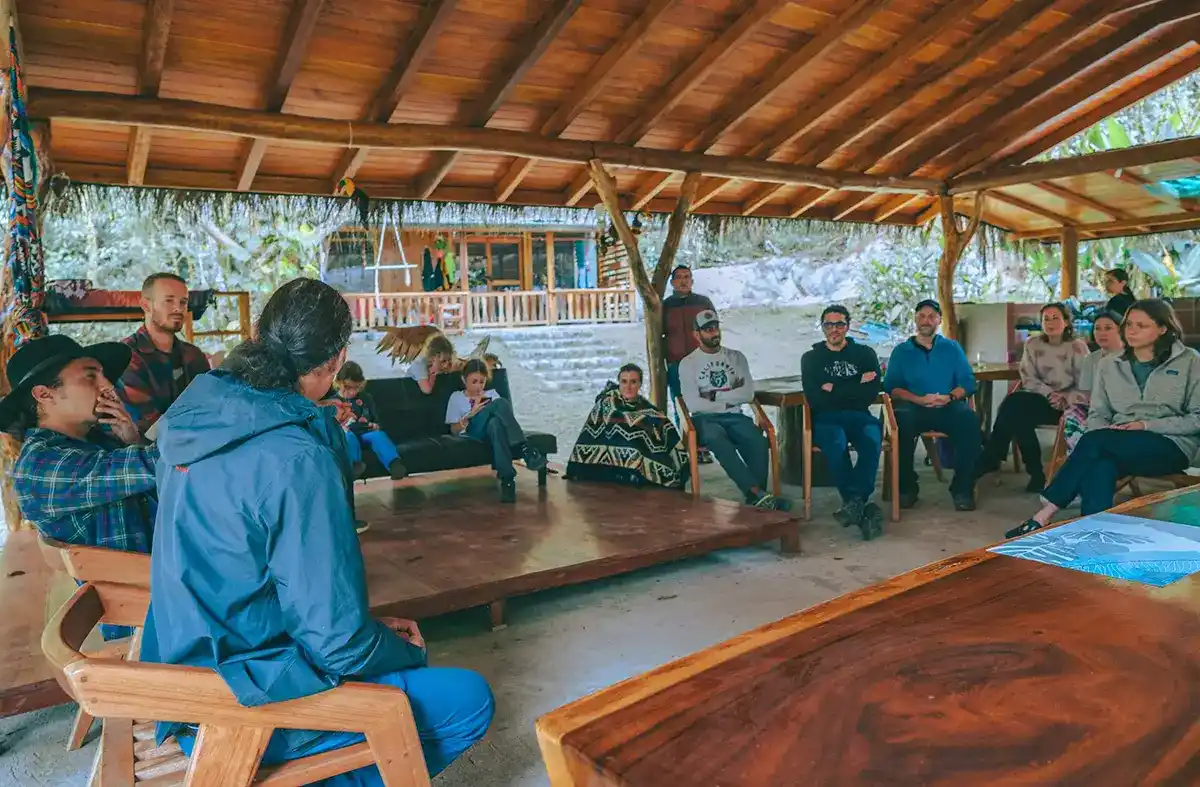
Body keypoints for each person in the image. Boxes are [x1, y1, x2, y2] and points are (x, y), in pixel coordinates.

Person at [141, 278, 493, 782]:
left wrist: (365, 631)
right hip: (243, 692)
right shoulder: (294, 457)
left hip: (183, 670)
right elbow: (338, 646)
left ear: (260, 333)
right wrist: (400, 650)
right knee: (466, 699)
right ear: (338, 359)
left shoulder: (190, 417)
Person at [2, 334, 156, 642]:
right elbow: (159, 466)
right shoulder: (41, 466)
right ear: (45, 394)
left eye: (104, 375)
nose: (108, 386)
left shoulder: (98, 442)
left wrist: (133, 441)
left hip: (170, 589)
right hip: (153, 618)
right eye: (90, 376)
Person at [1008, 300, 1200, 538]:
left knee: (1097, 444)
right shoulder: (1109, 364)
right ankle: (1094, 534)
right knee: (1100, 463)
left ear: (1163, 328)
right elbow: (1098, 413)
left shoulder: (1190, 361)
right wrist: (1106, 432)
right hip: (1116, 440)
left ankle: (1046, 511)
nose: (1131, 330)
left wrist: (1145, 425)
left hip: (1170, 444)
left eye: (1141, 325)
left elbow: (1196, 419)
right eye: (1129, 324)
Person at [679, 309, 790, 510]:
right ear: (697, 334)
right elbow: (693, 404)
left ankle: (758, 499)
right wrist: (729, 397)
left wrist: (712, 396)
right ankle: (755, 492)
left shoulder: (736, 358)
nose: (714, 333)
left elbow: (747, 394)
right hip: (705, 419)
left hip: (735, 416)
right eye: (707, 330)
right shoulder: (688, 364)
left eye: (715, 327)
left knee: (757, 440)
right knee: (716, 438)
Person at [975, 303, 1090, 492]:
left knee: (1016, 410)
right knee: (1016, 406)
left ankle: (997, 457)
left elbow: (1085, 383)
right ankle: (1034, 472)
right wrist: (1049, 394)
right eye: (1046, 319)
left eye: (1056, 318)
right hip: (1043, 399)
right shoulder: (1033, 344)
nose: (1050, 323)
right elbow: (1028, 378)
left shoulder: (1077, 347)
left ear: (1066, 322)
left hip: (1070, 404)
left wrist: (1065, 396)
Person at [883, 299, 981, 511]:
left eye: (931, 316)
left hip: (947, 404)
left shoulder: (952, 348)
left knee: (969, 422)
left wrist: (950, 397)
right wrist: (918, 399)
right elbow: (892, 387)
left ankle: (962, 489)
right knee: (900, 425)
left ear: (939, 320)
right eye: (922, 316)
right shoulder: (901, 351)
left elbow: (968, 381)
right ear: (915, 320)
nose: (926, 321)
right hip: (913, 407)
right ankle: (907, 489)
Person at [801, 305, 884, 540]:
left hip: (859, 414)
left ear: (848, 326)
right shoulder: (811, 359)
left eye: (839, 324)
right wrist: (857, 381)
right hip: (826, 417)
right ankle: (857, 503)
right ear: (823, 327)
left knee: (872, 439)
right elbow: (815, 397)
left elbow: (869, 394)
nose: (834, 329)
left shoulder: (865, 354)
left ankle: (853, 503)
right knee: (835, 443)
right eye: (829, 324)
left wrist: (833, 387)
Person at [564, 363, 688, 489]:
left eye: (633, 382)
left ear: (640, 384)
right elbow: (615, 421)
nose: (628, 387)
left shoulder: (645, 406)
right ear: (619, 383)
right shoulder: (607, 402)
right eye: (624, 382)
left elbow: (658, 422)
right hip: (607, 467)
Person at [117, 272, 211, 436]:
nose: (178, 308)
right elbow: (149, 429)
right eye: (169, 300)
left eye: (183, 302)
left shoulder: (194, 355)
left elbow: (211, 407)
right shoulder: (126, 357)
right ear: (146, 305)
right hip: (147, 455)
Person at [447, 359, 547, 503]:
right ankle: (526, 450)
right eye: (474, 381)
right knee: (499, 404)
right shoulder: (456, 397)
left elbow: (505, 419)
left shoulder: (491, 393)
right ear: (464, 380)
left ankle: (507, 480)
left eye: (482, 382)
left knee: (496, 424)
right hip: (472, 431)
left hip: (490, 431)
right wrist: (469, 416)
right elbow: (453, 430)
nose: (478, 386)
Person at [662, 265, 714, 462]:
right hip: (676, 363)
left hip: (702, 361)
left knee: (704, 402)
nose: (683, 281)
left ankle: (705, 447)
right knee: (681, 405)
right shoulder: (665, 306)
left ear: (692, 281)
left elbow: (713, 330)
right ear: (672, 282)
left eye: (687, 277)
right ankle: (688, 447)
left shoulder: (703, 302)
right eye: (679, 278)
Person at [1061, 310, 1125, 454]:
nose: (1102, 333)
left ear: (1121, 331)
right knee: (1072, 414)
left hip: (1124, 410)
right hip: (1096, 409)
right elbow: (1086, 392)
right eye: (1097, 328)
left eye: (1108, 328)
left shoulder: (1131, 357)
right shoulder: (1091, 359)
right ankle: (1080, 456)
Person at [332, 361, 408, 480]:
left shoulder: (366, 398)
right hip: (348, 433)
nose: (352, 392)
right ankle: (354, 466)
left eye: (356, 388)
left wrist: (375, 425)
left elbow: (375, 419)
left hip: (365, 432)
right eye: (347, 387)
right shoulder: (334, 402)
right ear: (338, 382)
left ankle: (394, 464)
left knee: (379, 436)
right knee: (348, 438)